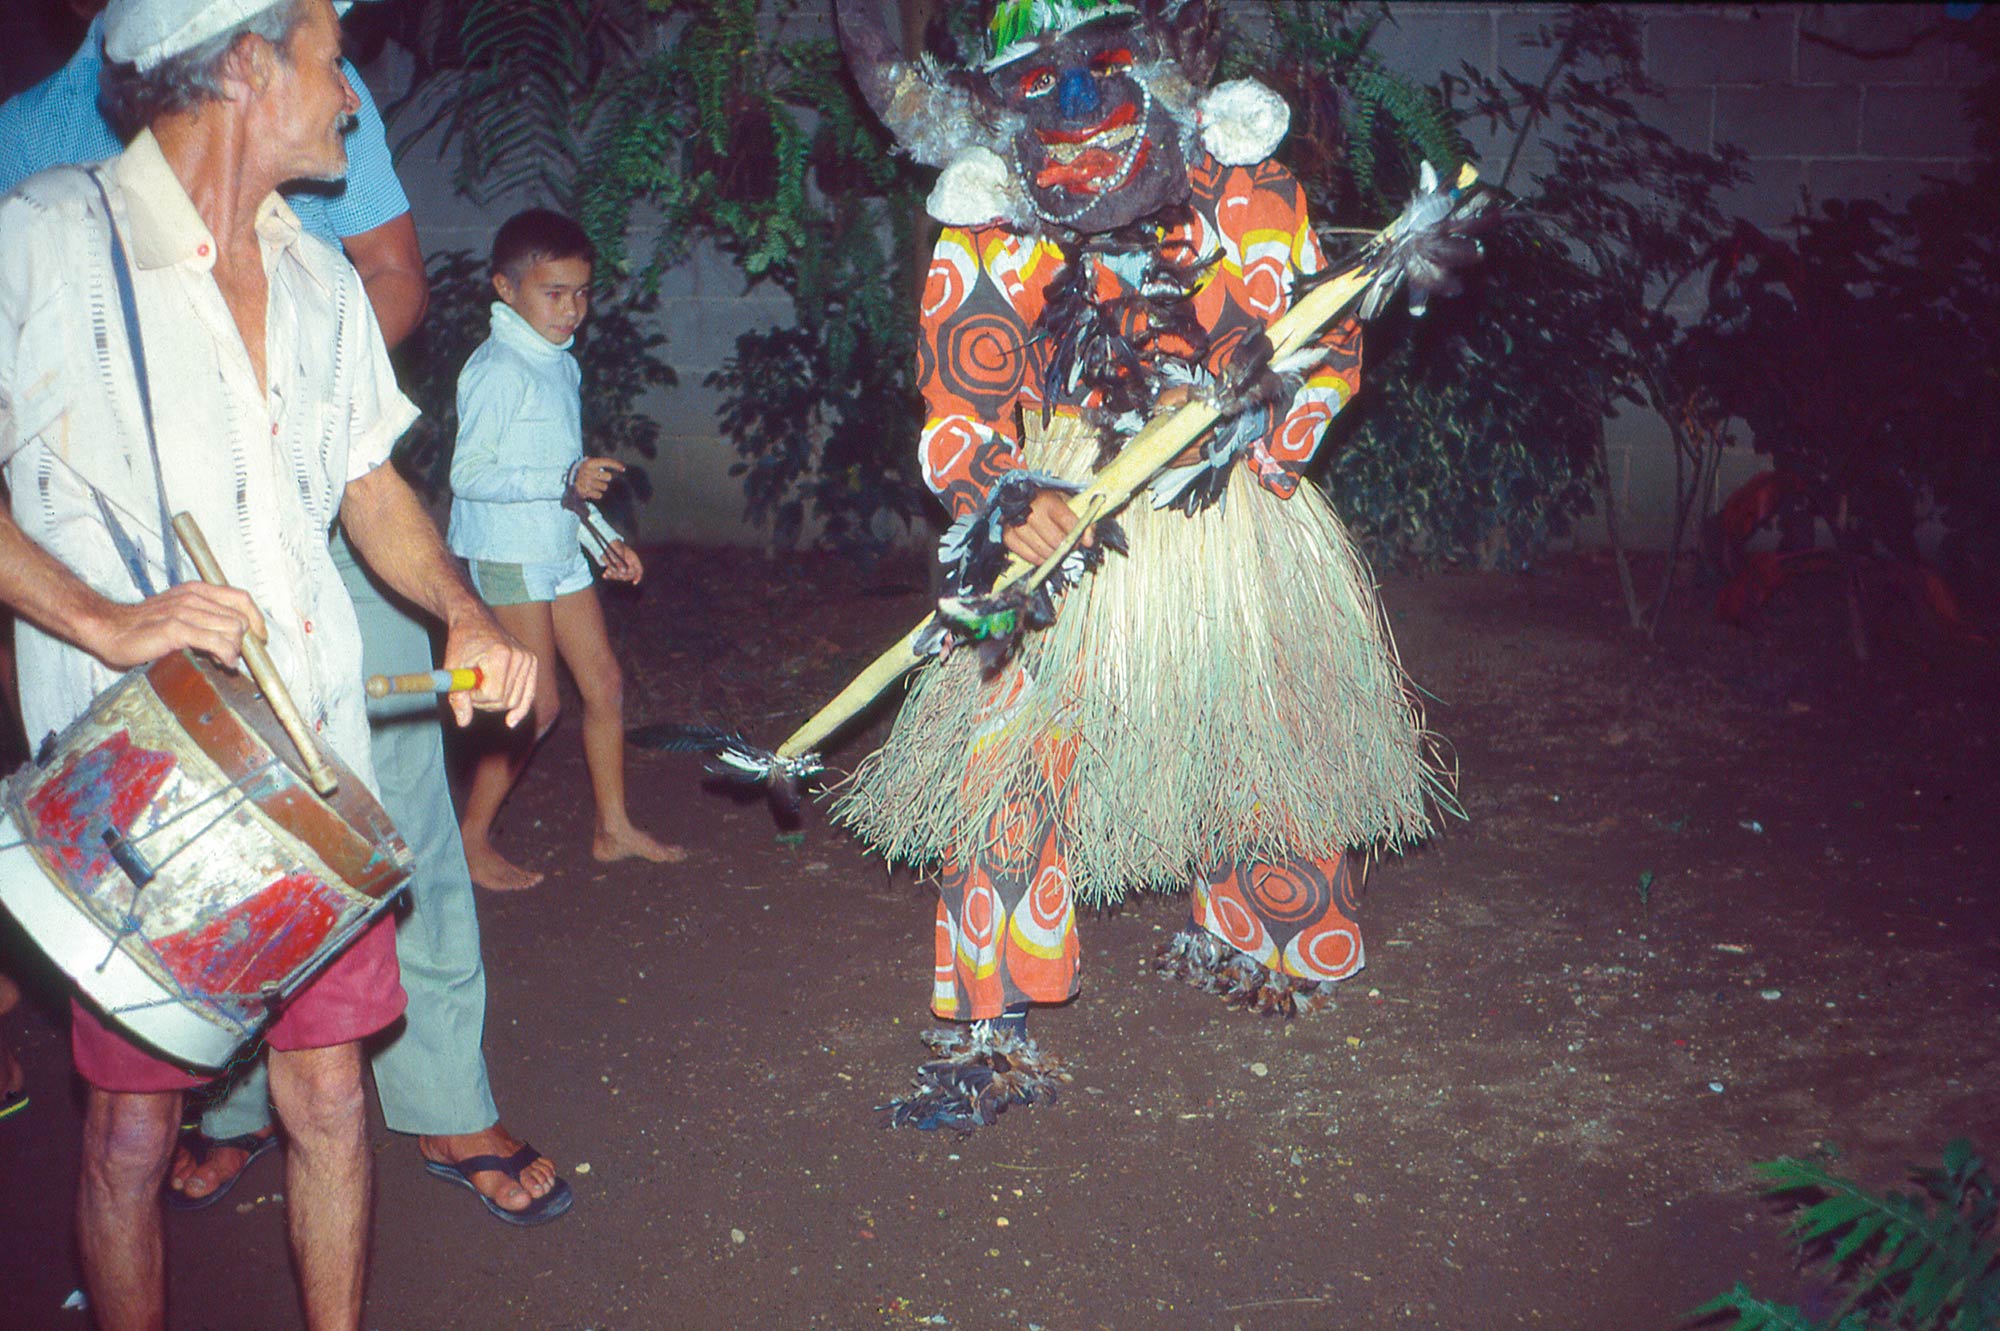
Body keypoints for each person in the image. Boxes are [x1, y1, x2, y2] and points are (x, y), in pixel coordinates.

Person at [0, 0, 539, 1324]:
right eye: (328, 60)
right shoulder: (46, 240)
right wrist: (102, 618)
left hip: (313, 781)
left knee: (332, 1095)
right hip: (143, 793)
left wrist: (463, 613)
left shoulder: (317, 275)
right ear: (244, 64)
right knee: (133, 1132)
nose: (351, 96)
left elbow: (368, 483)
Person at [828, 0, 1446, 1129]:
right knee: (1013, 754)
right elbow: (960, 398)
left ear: (1153, 63)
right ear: (997, 96)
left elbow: (1320, 338)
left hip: (1226, 509)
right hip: (1068, 508)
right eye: (1036, 78)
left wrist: (1261, 420)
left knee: (1260, 726)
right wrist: (1003, 497)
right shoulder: (992, 216)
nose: (1073, 102)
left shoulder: (1237, 180)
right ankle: (990, 1025)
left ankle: (1266, 939)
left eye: (1100, 63)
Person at [448, 208, 685, 892]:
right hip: (508, 553)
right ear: (506, 288)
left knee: (604, 684)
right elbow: (468, 474)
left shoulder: (560, 365)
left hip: (557, 547)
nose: (572, 309)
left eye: (581, 293)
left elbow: (569, 477)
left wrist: (604, 539)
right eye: (554, 293)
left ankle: (613, 830)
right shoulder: (498, 370)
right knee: (539, 703)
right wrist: (561, 481)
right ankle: (468, 842)